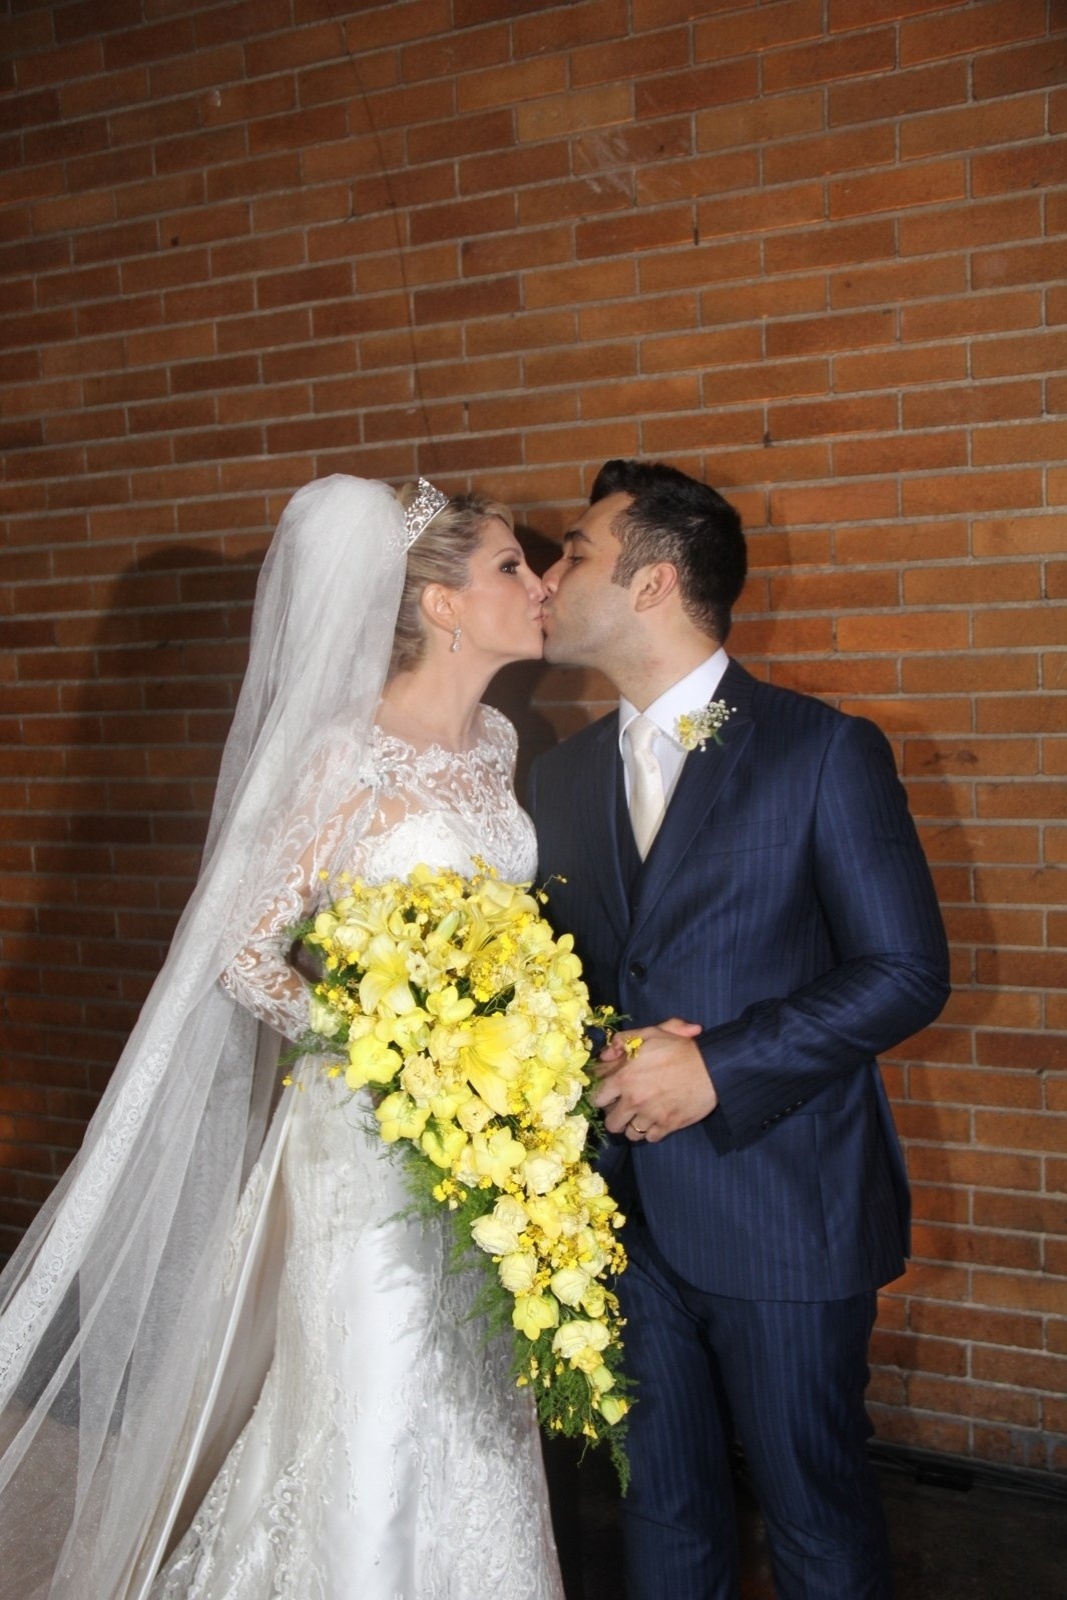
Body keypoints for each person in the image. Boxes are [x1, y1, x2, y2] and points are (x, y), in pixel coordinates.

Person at [0, 475, 564, 1600]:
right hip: (369, 1128)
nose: (540, 583)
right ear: (441, 605)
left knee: (475, 1386)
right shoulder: (341, 756)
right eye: (510, 564)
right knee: (382, 1384)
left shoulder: (498, 740)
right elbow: (244, 954)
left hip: (491, 1131)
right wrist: (380, 1044)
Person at [528, 458, 951, 1600]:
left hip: (783, 1211)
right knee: (658, 1509)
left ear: (655, 581)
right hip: (613, 1222)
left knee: (813, 1517)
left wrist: (719, 1065)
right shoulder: (555, 780)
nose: (549, 573)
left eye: (573, 550)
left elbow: (907, 971)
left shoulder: (819, 750)